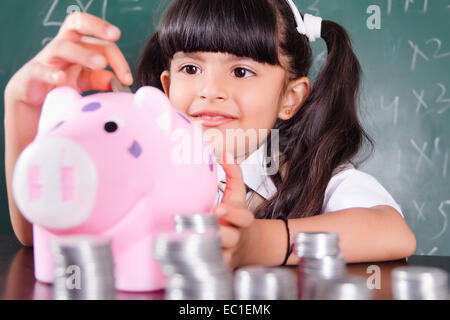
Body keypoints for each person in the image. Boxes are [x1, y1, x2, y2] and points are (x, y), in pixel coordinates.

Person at [4, 0, 416, 269]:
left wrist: (258, 244)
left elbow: (391, 231)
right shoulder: (133, 156)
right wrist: (22, 108)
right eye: (190, 68)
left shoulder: (310, 174)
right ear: (166, 87)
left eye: (241, 71)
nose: (210, 90)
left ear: (290, 97)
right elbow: (35, 230)